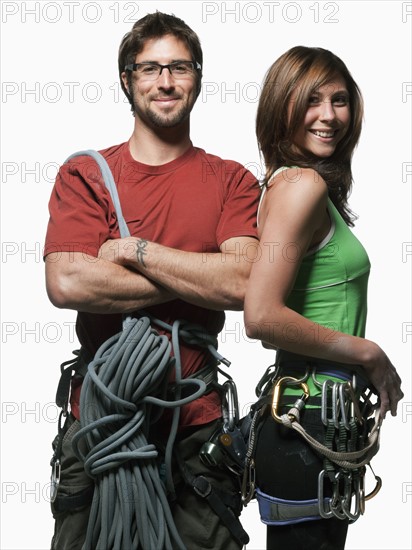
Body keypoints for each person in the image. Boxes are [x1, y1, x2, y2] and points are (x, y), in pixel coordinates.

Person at [44, 11, 260, 550]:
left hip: (196, 432)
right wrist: (196, 269)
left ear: (198, 77)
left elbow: (244, 285)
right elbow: (68, 281)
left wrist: (136, 253)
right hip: (101, 426)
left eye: (179, 67)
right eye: (150, 69)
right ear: (127, 80)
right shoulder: (87, 173)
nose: (165, 82)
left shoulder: (231, 179)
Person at [243, 46, 404, 550]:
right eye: (312, 100)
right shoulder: (301, 186)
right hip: (308, 421)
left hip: (319, 420)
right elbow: (261, 315)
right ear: (281, 105)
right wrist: (369, 353)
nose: (330, 116)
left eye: (340, 100)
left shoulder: (291, 184)